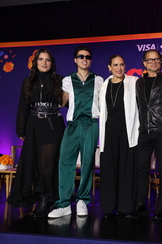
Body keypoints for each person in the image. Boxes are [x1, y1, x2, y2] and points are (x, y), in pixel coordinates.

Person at [7, 48, 65, 218]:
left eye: (48, 60)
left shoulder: (60, 80)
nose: (44, 63)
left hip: (52, 125)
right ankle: (36, 196)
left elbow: (67, 103)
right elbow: (23, 105)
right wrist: (21, 127)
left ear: (52, 63)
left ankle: (46, 199)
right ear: (36, 62)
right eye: (41, 59)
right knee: (33, 163)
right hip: (33, 125)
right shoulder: (27, 81)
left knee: (48, 165)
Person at [48, 46, 103, 218]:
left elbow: (104, 105)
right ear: (75, 59)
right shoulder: (66, 80)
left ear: (90, 60)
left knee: (87, 163)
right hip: (72, 125)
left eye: (87, 56)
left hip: (91, 124)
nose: (84, 59)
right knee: (65, 161)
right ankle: (64, 203)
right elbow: (62, 102)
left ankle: (82, 201)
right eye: (81, 56)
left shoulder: (100, 80)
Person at [126, 49, 162, 220]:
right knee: (141, 169)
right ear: (144, 63)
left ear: (161, 62)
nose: (153, 62)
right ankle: (140, 205)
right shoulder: (138, 83)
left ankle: (161, 206)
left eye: (156, 59)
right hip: (143, 131)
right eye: (149, 60)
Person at [99, 55, 139, 219]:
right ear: (109, 67)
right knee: (109, 167)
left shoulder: (134, 82)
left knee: (126, 167)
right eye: (115, 65)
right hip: (109, 128)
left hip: (127, 128)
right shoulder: (104, 85)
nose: (119, 68)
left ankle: (126, 207)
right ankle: (109, 208)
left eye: (122, 64)